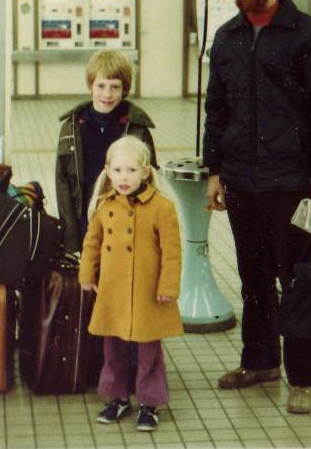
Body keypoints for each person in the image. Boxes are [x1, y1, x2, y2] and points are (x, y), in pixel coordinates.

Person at [203, 0, 311, 414]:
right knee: (254, 278)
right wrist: (214, 171)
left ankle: (303, 377)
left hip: (292, 183)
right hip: (242, 181)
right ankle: (260, 360)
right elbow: (217, 109)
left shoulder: (309, 37)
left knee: (299, 280)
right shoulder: (227, 37)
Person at [79, 136, 183, 432]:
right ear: (108, 171)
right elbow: (92, 243)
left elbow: (172, 252)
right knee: (112, 348)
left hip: (149, 293)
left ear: (146, 172)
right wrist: (87, 275)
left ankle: (149, 403)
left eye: (131, 170)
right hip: (113, 291)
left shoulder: (162, 207)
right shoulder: (104, 205)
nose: (124, 178)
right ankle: (117, 397)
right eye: (119, 171)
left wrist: (168, 287)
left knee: (149, 350)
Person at [55, 50, 157, 260]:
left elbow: (150, 181)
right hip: (87, 222)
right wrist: (71, 237)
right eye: (101, 86)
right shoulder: (72, 128)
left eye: (115, 87)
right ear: (90, 86)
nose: (107, 94)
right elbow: (62, 183)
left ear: (125, 90)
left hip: (127, 224)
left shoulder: (137, 129)